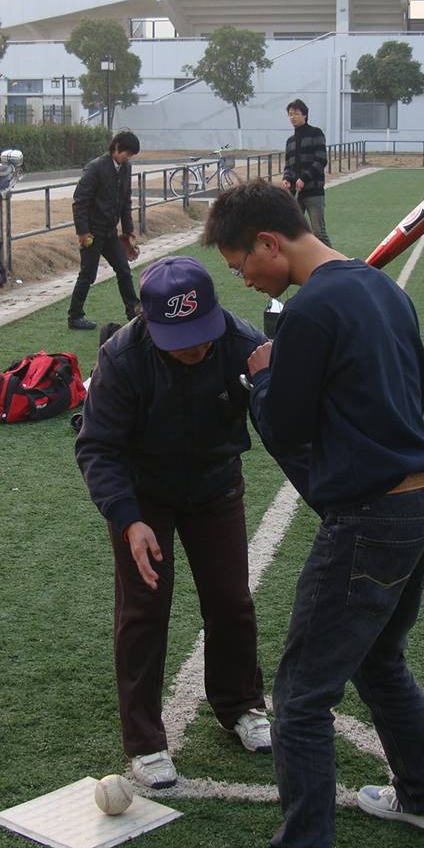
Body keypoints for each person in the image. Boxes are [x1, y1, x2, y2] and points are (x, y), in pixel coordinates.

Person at [204, 182, 424, 848]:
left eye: (241, 264)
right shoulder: (380, 290)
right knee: (378, 660)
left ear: (268, 242)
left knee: (301, 696)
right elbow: (407, 391)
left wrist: (262, 375)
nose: (243, 278)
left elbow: (285, 427)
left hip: (371, 519)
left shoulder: (313, 310)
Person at [74, 255, 284, 790]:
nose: (197, 347)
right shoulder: (122, 357)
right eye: (181, 337)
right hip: (144, 496)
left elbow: (284, 422)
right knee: (143, 610)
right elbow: (98, 447)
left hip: (216, 485)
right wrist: (127, 520)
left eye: (203, 333)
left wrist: (270, 385)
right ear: (149, 323)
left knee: (231, 599)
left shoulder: (243, 344)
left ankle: (240, 704)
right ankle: (144, 741)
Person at [69, 130, 143, 330]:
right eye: (127, 153)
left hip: (110, 232)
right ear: (117, 147)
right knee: (88, 274)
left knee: (124, 270)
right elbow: (79, 202)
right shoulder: (95, 168)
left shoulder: (126, 168)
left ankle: (133, 311)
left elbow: (125, 201)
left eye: (131, 155)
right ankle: (75, 316)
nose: (128, 158)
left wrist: (128, 232)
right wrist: (83, 232)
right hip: (92, 232)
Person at [281, 99, 331, 247]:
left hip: (314, 193)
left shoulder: (316, 133)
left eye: (296, 113)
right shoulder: (290, 141)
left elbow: (321, 160)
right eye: (290, 114)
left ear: (305, 115)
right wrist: (286, 178)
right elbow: (288, 165)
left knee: (319, 233)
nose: (292, 117)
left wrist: (304, 178)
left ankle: (334, 265)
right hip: (294, 193)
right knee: (292, 231)